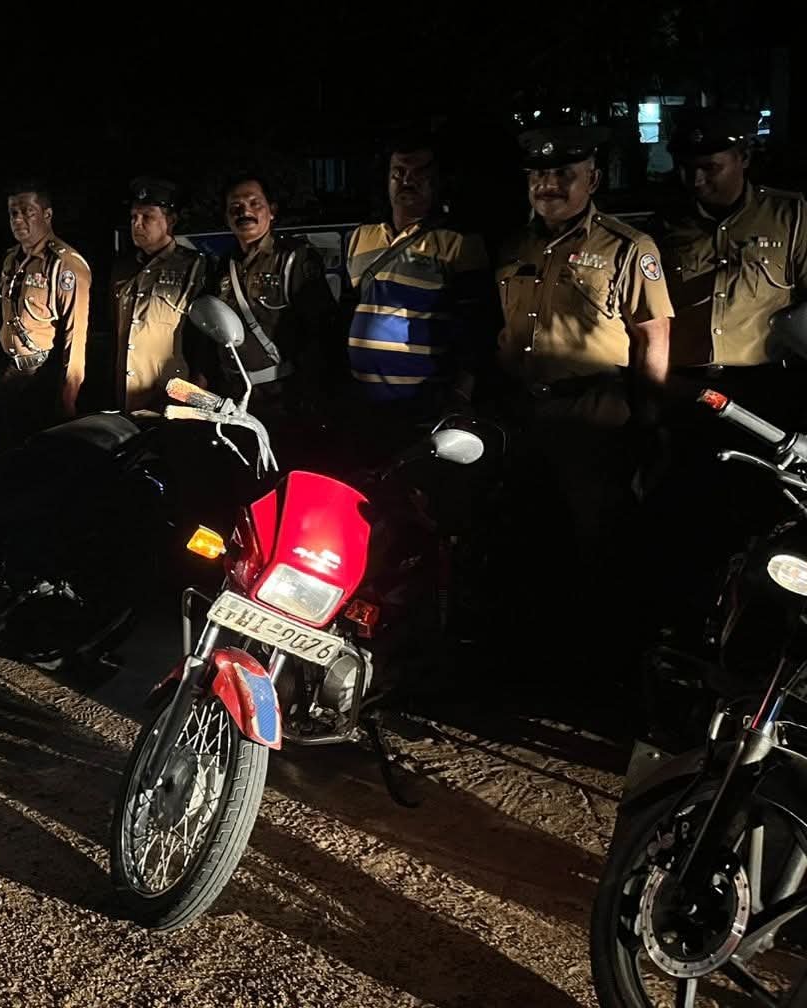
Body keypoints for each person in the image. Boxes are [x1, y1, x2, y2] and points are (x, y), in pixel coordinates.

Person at [494, 127, 673, 655]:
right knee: (529, 535)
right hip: (525, 412)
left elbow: (653, 336)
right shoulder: (515, 245)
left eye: (563, 174)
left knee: (599, 543)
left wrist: (648, 422)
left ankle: (605, 658)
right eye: (538, 174)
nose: (548, 184)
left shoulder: (627, 247)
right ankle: (539, 652)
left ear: (592, 180)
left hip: (594, 418)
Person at [658, 108, 806, 413]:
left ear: (744, 158)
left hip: (765, 385)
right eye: (685, 167)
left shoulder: (790, 217)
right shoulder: (665, 224)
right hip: (686, 385)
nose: (696, 180)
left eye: (710, 167)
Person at [343, 133, 491, 424]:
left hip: (423, 405)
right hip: (361, 403)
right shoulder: (361, 236)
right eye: (398, 172)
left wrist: (460, 395)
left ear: (440, 180)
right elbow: (349, 310)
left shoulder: (460, 243)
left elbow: (477, 328)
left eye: (420, 173)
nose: (407, 180)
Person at [217, 172, 336, 414]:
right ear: (226, 217)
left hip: (284, 397)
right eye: (235, 207)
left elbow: (320, 329)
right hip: (233, 398)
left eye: (254, 203)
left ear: (271, 211)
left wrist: (311, 394)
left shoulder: (295, 257)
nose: (244, 212)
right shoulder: (222, 265)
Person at [0, 178, 91, 434]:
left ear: (47, 215)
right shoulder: (12, 259)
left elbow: (76, 334)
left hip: (42, 377)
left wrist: (69, 395)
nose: (18, 220)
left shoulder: (64, 263)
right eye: (13, 213)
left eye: (27, 212)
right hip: (12, 372)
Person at [111, 177, 206, 413]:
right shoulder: (123, 268)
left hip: (171, 395)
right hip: (126, 395)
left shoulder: (194, 266)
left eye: (147, 217)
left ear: (170, 221)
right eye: (133, 217)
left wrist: (198, 389)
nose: (137, 224)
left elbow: (204, 339)